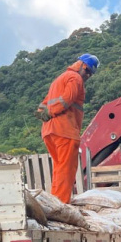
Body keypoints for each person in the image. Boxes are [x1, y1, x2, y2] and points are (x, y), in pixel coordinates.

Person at [37, 54, 100, 203]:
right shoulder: (75, 78)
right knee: (66, 170)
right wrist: (52, 111)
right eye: (88, 72)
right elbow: (67, 98)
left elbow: (42, 106)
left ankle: (54, 203)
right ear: (82, 66)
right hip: (65, 130)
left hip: (50, 131)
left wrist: (44, 115)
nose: (87, 76)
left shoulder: (58, 80)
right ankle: (61, 206)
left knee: (59, 169)